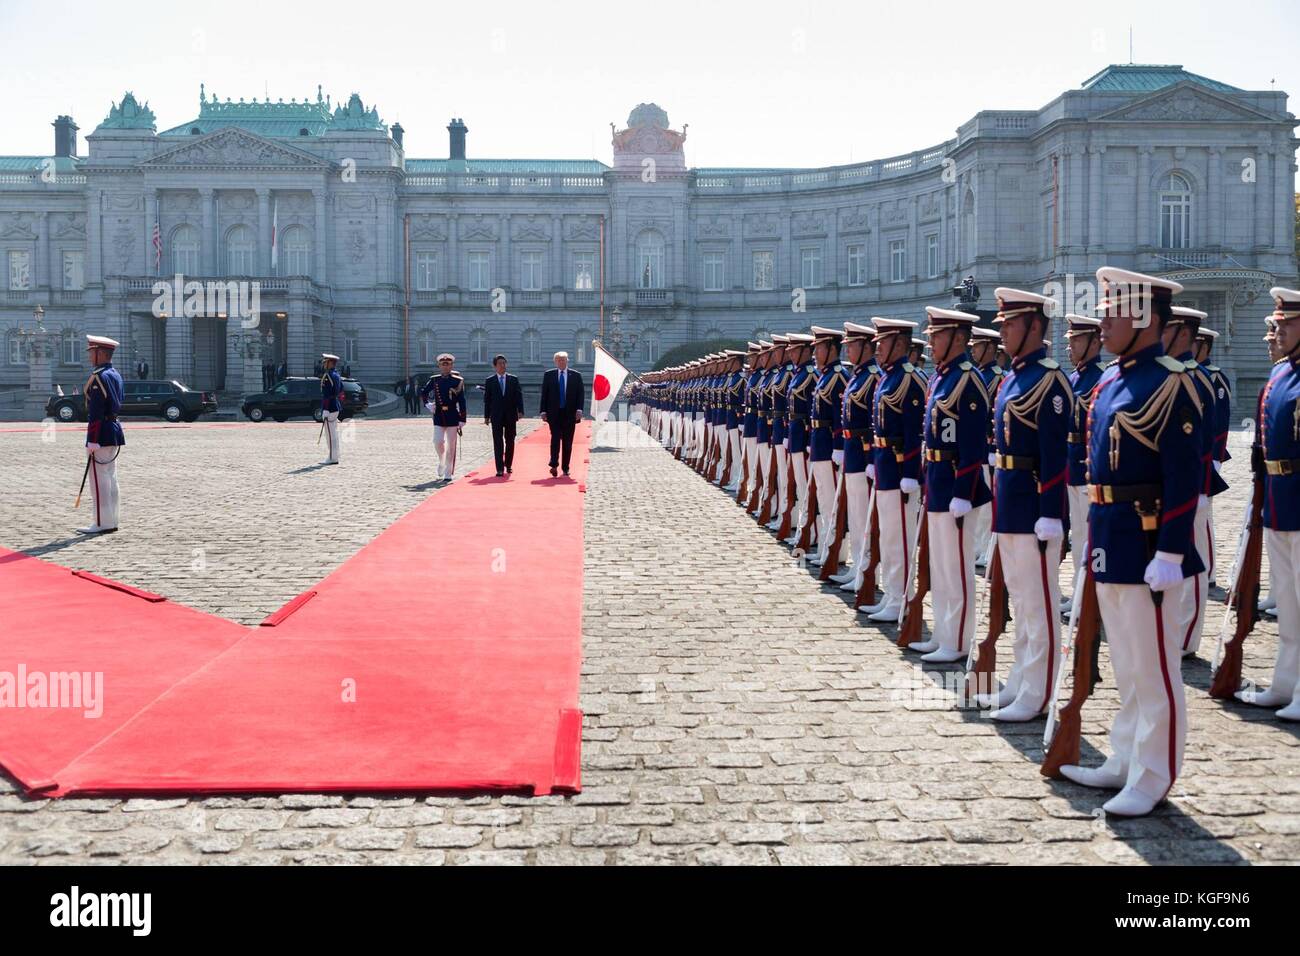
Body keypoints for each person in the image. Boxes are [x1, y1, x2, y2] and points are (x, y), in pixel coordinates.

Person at [1058, 267, 1203, 817]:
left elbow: (1185, 475)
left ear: (1143, 317)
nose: (1103, 321)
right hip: (1112, 536)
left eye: (1113, 311)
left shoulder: (1171, 383)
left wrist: (1171, 549)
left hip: (1148, 544)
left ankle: (1154, 774)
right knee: (1126, 661)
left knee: (1155, 665)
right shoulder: (1112, 382)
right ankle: (1125, 758)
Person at [977, 289, 1072, 721]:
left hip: (1035, 508)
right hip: (1010, 502)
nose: (1002, 333)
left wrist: (1052, 513)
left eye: (1009, 325)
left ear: (1034, 326)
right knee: (1018, 600)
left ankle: (1039, 692)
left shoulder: (1050, 381)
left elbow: (1056, 455)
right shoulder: (1013, 377)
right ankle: (1021, 681)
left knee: (1039, 605)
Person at [914, 307, 993, 663]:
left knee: (957, 567)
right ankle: (944, 633)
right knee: (941, 565)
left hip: (958, 487)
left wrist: (963, 492)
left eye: (936, 336)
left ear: (958, 339)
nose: (930, 343)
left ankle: (958, 639)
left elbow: (973, 444)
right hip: (937, 481)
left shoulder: (968, 379)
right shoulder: (941, 378)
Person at [1239, 287, 1300, 720]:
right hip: (1279, 501)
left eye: (1284, 324)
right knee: (1290, 605)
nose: (1274, 331)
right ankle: (1286, 683)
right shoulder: (1280, 374)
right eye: (1276, 324)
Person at [1163, 306, 1223, 659]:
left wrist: (1201, 487)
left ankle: (1188, 635)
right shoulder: (1168, 374)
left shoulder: (1197, 379)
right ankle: (1175, 624)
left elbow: (1203, 438)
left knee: (1194, 560)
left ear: (1183, 333)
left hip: (1194, 485)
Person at [862, 318, 925, 621]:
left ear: (899, 344)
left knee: (900, 538)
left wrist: (911, 472)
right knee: (887, 536)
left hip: (901, 471)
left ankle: (901, 598)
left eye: (882, 344)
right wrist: (875, 460)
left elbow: (915, 431)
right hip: (885, 465)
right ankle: (891, 594)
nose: (877, 349)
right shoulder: (888, 377)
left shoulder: (908, 379)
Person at [832, 322, 880, 596]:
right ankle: (857, 568)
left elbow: (878, 424)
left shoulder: (873, 376)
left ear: (865, 346)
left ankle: (867, 571)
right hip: (851, 452)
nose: (847, 350)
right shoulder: (857, 376)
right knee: (856, 515)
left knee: (864, 518)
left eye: (852, 345)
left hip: (864, 455)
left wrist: (872, 457)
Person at [1062, 314, 1105, 611]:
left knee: (1094, 537)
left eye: (1075, 340)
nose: (1069, 346)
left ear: (1093, 341)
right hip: (1072, 468)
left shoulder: (1102, 378)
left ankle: (1096, 594)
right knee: (1078, 535)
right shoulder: (1074, 378)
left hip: (1090, 470)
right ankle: (1081, 590)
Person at [76, 335, 125, 535]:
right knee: (111, 478)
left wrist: (92, 440)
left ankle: (101, 522)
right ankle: (111, 519)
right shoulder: (115, 374)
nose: (89, 357)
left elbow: (95, 413)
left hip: (101, 433)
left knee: (99, 481)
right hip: (113, 430)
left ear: (100, 354)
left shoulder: (98, 377)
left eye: (91, 353)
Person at [808, 327, 848, 567]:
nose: (815, 352)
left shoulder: (839, 376)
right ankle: (825, 545)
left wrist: (838, 445)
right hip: (818, 442)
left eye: (818, 348)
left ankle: (837, 550)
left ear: (832, 349)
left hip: (830, 445)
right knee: (824, 498)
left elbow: (839, 416)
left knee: (833, 501)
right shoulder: (824, 375)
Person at [421, 352, 467, 481]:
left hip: (452, 415)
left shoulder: (457, 381)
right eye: (443, 365)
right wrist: (427, 404)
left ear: (451, 366)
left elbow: (462, 400)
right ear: (439, 366)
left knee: (451, 445)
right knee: (437, 442)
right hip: (439, 415)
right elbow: (423, 392)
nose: (445, 367)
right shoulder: (435, 380)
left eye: (448, 365)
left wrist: (462, 418)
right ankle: (441, 460)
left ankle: (448, 472)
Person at [540, 350, 583, 477]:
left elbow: (580, 394)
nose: (561, 362)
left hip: (570, 414)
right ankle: (553, 464)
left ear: (567, 361)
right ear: (555, 362)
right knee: (555, 439)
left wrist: (579, 410)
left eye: (563, 359)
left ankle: (565, 467)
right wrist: (543, 411)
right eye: (558, 360)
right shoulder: (549, 375)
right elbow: (545, 394)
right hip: (554, 413)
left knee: (567, 442)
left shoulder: (575, 375)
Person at [484, 354, 524, 477]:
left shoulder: (513, 379)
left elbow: (519, 396)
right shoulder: (490, 381)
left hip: (510, 414)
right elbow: (487, 400)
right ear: (495, 366)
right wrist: (486, 416)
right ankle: (499, 468)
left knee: (510, 440)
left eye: (504, 363)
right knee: (498, 441)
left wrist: (520, 411)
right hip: (496, 415)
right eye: (500, 363)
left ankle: (508, 464)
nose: (502, 365)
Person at [319, 353, 343, 465]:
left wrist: (326, 409)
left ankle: (332, 458)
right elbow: (341, 389)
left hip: (330, 407)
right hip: (335, 405)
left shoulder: (328, 376)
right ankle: (335, 455)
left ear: (330, 363)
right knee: (334, 433)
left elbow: (327, 394)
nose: (324, 364)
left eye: (326, 362)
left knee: (330, 434)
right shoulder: (337, 375)